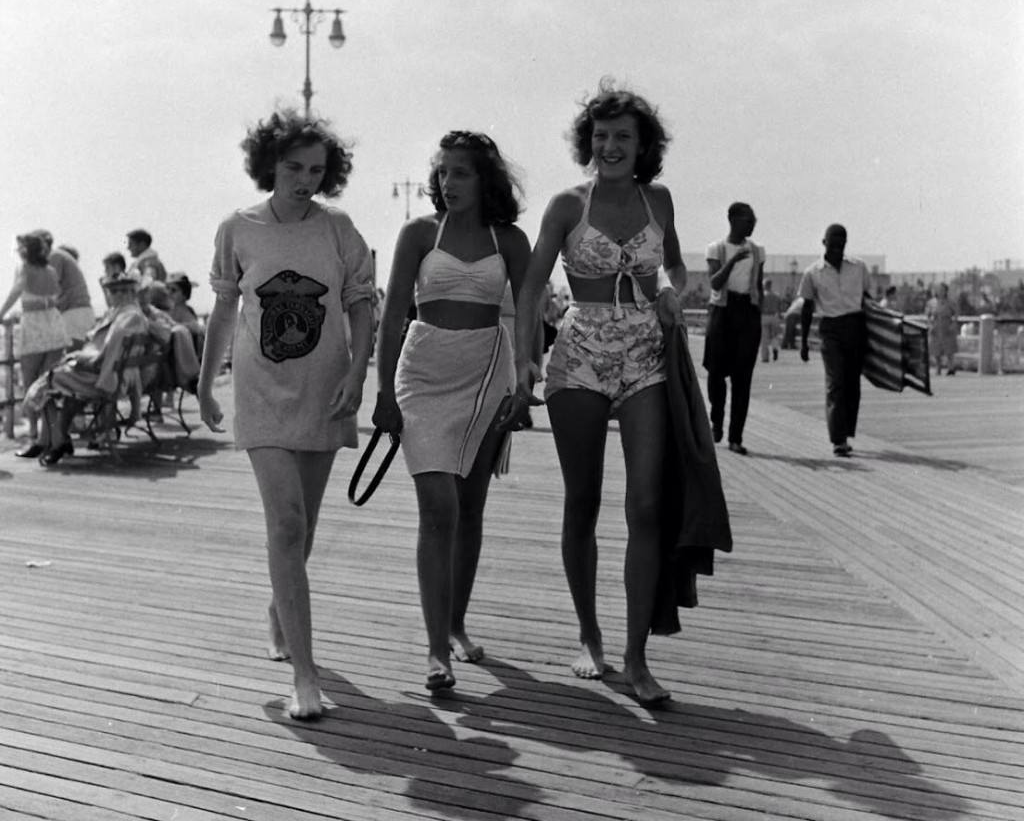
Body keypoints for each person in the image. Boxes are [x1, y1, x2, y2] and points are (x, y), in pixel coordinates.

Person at [511, 81, 687, 706]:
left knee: (644, 504)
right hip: (580, 352)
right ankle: (590, 635)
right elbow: (532, 288)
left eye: (623, 137)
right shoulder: (566, 205)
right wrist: (524, 361)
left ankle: (637, 655)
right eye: (601, 136)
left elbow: (677, 265)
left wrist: (670, 287)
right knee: (582, 498)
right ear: (588, 143)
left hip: (644, 353)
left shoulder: (658, 199)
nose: (610, 146)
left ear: (644, 146)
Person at [196, 108, 374, 721]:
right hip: (262, 388)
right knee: (287, 524)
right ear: (269, 164)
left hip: (325, 388)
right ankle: (305, 674)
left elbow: (360, 304)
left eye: (317, 170)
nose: (305, 179)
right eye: (294, 167)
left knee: (306, 525)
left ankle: (280, 607)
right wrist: (204, 383)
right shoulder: (237, 228)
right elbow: (222, 309)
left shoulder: (338, 228)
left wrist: (358, 371)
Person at [373, 130, 531, 693]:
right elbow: (391, 315)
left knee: (469, 507)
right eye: (441, 172)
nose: (447, 182)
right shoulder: (418, 233)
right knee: (438, 505)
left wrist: (525, 378)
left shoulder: (509, 240)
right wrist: (384, 393)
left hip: (486, 374)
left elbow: (528, 313)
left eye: (460, 172)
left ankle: (457, 623)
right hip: (423, 373)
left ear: (485, 178)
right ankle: (437, 650)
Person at [20, 273, 150, 464]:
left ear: (122, 293)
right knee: (59, 382)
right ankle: (56, 439)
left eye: (112, 292)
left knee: (46, 384)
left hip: (105, 379)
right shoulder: (135, 316)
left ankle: (54, 441)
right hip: (124, 377)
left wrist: (78, 358)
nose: (110, 296)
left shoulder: (125, 318)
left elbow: (102, 356)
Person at [798, 224, 872, 457]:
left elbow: (868, 301)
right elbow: (807, 307)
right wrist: (803, 342)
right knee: (836, 382)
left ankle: (846, 431)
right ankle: (838, 439)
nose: (838, 247)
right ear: (824, 243)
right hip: (830, 330)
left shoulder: (859, 267)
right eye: (834, 243)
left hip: (856, 326)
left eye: (842, 243)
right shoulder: (812, 273)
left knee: (852, 384)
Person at [703, 203, 764, 454]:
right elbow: (715, 283)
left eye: (754, 219)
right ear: (733, 219)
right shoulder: (716, 248)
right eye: (748, 219)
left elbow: (758, 284)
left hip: (746, 313)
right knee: (716, 373)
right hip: (722, 312)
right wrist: (733, 261)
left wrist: (758, 312)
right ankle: (716, 421)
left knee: (742, 379)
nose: (753, 224)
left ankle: (735, 437)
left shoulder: (758, 251)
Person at [1, 232, 69, 456]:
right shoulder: (49, 270)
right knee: (47, 385)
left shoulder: (24, 266)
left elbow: (17, 289)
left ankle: (39, 438)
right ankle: (51, 438)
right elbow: (56, 295)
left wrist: (1, 312)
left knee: (33, 387)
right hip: (54, 323)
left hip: (35, 326)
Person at [33, 230, 95, 349]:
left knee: (70, 360)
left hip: (74, 315)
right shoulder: (59, 256)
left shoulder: (54, 256)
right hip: (79, 313)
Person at [926, 282, 959, 376]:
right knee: (936, 350)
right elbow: (928, 315)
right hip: (936, 327)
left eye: (942, 290)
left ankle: (951, 368)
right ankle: (938, 367)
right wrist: (930, 325)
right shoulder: (931, 302)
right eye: (939, 290)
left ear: (946, 291)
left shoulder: (951, 302)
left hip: (947, 326)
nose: (940, 292)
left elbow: (956, 313)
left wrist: (953, 324)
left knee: (949, 349)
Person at [760, 278, 783, 363]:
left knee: (764, 338)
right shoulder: (776, 295)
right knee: (774, 336)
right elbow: (780, 308)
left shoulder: (762, 295)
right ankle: (775, 348)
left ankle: (765, 357)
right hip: (774, 316)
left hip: (764, 316)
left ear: (764, 285)